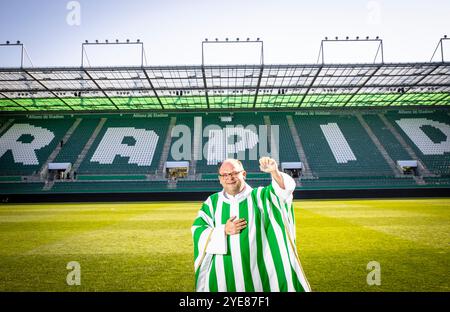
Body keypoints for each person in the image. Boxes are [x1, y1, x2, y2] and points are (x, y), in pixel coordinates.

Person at [191, 157, 311, 292]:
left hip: (260, 273)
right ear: (219, 178)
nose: (229, 177)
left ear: (244, 174)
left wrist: (274, 172)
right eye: (224, 174)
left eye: (234, 173)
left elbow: (283, 192)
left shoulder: (261, 196)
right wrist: (223, 230)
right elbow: (198, 231)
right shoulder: (211, 203)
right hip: (223, 276)